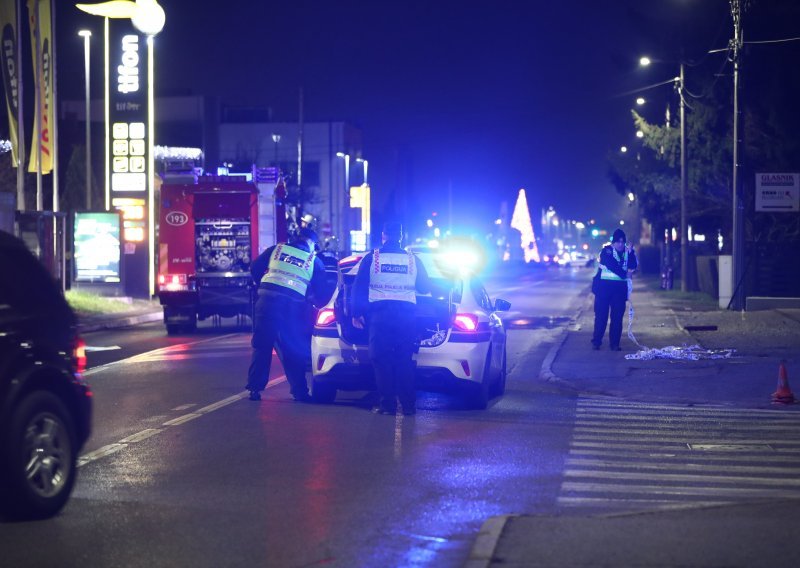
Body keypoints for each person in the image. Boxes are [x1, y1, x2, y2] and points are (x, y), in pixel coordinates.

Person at [351, 221, 433, 416]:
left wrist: (356, 313)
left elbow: (359, 286)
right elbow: (424, 287)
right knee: (404, 360)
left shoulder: (372, 257)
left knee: (381, 360)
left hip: (380, 318)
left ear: (383, 236)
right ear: (402, 237)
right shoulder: (413, 260)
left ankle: (387, 405)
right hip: (406, 318)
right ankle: (408, 406)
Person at [247, 227, 328, 401]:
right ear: (310, 242)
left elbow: (254, 267)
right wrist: (313, 301)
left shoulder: (277, 250)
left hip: (266, 303)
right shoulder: (313, 261)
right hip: (292, 310)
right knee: (292, 349)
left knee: (262, 347)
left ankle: (254, 389)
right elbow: (321, 294)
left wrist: (261, 284)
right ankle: (300, 393)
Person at [591, 228, 638, 351]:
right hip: (604, 289)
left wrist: (631, 252)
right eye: (618, 242)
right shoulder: (606, 251)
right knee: (601, 316)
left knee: (617, 318)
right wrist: (625, 274)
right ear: (613, 242)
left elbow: (633, 265)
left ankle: (615, 344)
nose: (621, 244)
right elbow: (612, 265)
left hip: (619, 291)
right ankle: (596, 342)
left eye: (623, 242)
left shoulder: (627, 252)